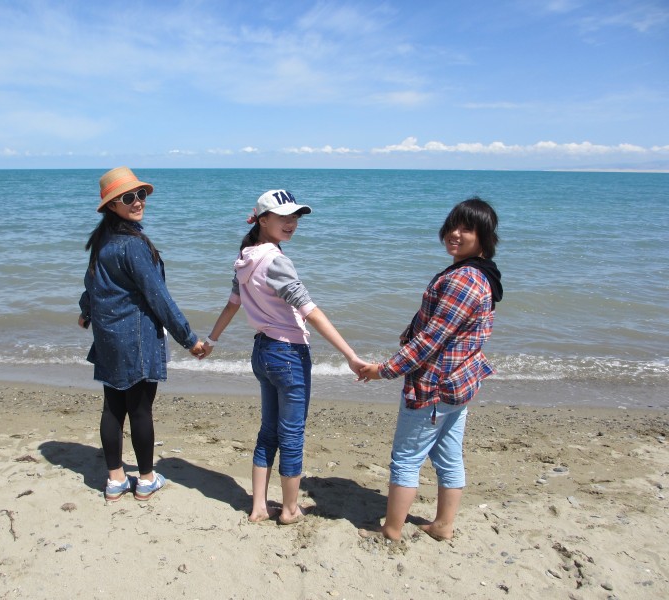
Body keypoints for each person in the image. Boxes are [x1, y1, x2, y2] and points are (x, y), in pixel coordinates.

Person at [199, 189, 366, 524]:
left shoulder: (245, 258)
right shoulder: (276, 261)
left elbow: (233, 304)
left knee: (268, 431)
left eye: (295, 217)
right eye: (283, 217)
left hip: (262, 352)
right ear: (263, 220)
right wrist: (350, 355)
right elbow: (310, 311)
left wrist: (212, 340)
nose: (292, 223)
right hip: (288, 354)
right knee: (291, 435)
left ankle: (259, 506)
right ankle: (289, 509)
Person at [358, 197, 503, 542]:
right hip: (458, 383)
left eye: (467, 229)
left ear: (484, 237)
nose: (455, 234)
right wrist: (409, 333)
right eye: (452, 226)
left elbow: (431, 341)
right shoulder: (478, 273)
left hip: (434, 386)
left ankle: (391, 530)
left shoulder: (465, 278)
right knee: (449, 455)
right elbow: (441, 329)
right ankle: (442, 525)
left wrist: (383, 370)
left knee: (406, 458)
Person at [79, 166, 205, 502]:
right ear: (111, 205)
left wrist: (86, 311)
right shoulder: (132, 245)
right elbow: (158, 297)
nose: (137, 202)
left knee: (112, 407)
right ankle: (146, 479)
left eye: (140, 195)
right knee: (139, 410)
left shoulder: (103, 240)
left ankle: (115, 479)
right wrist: (189, 339)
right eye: (128, 198)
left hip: (108, 336)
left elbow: (92, 282)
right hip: (135, 338)